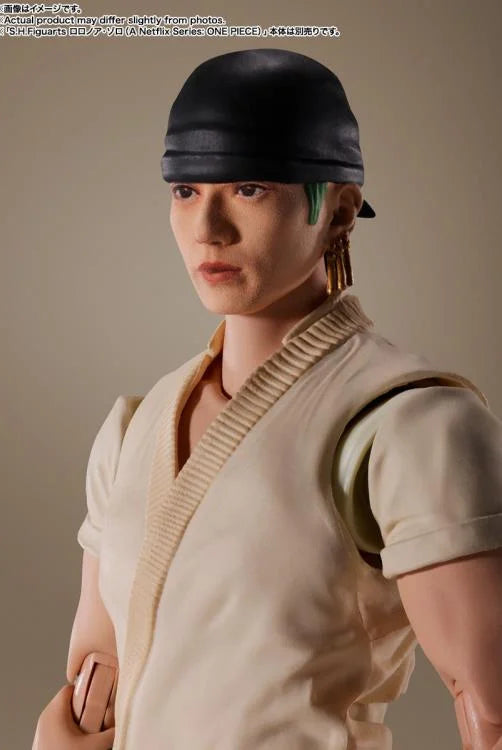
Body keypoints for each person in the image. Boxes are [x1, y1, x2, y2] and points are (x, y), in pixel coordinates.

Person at [33, 48, 502, 750]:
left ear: (339, 210)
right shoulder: (135, 428)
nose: (208, 228)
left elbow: (488, 705)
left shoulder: (410, 427)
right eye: (185, 190)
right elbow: (99, 675)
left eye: (249, 188)